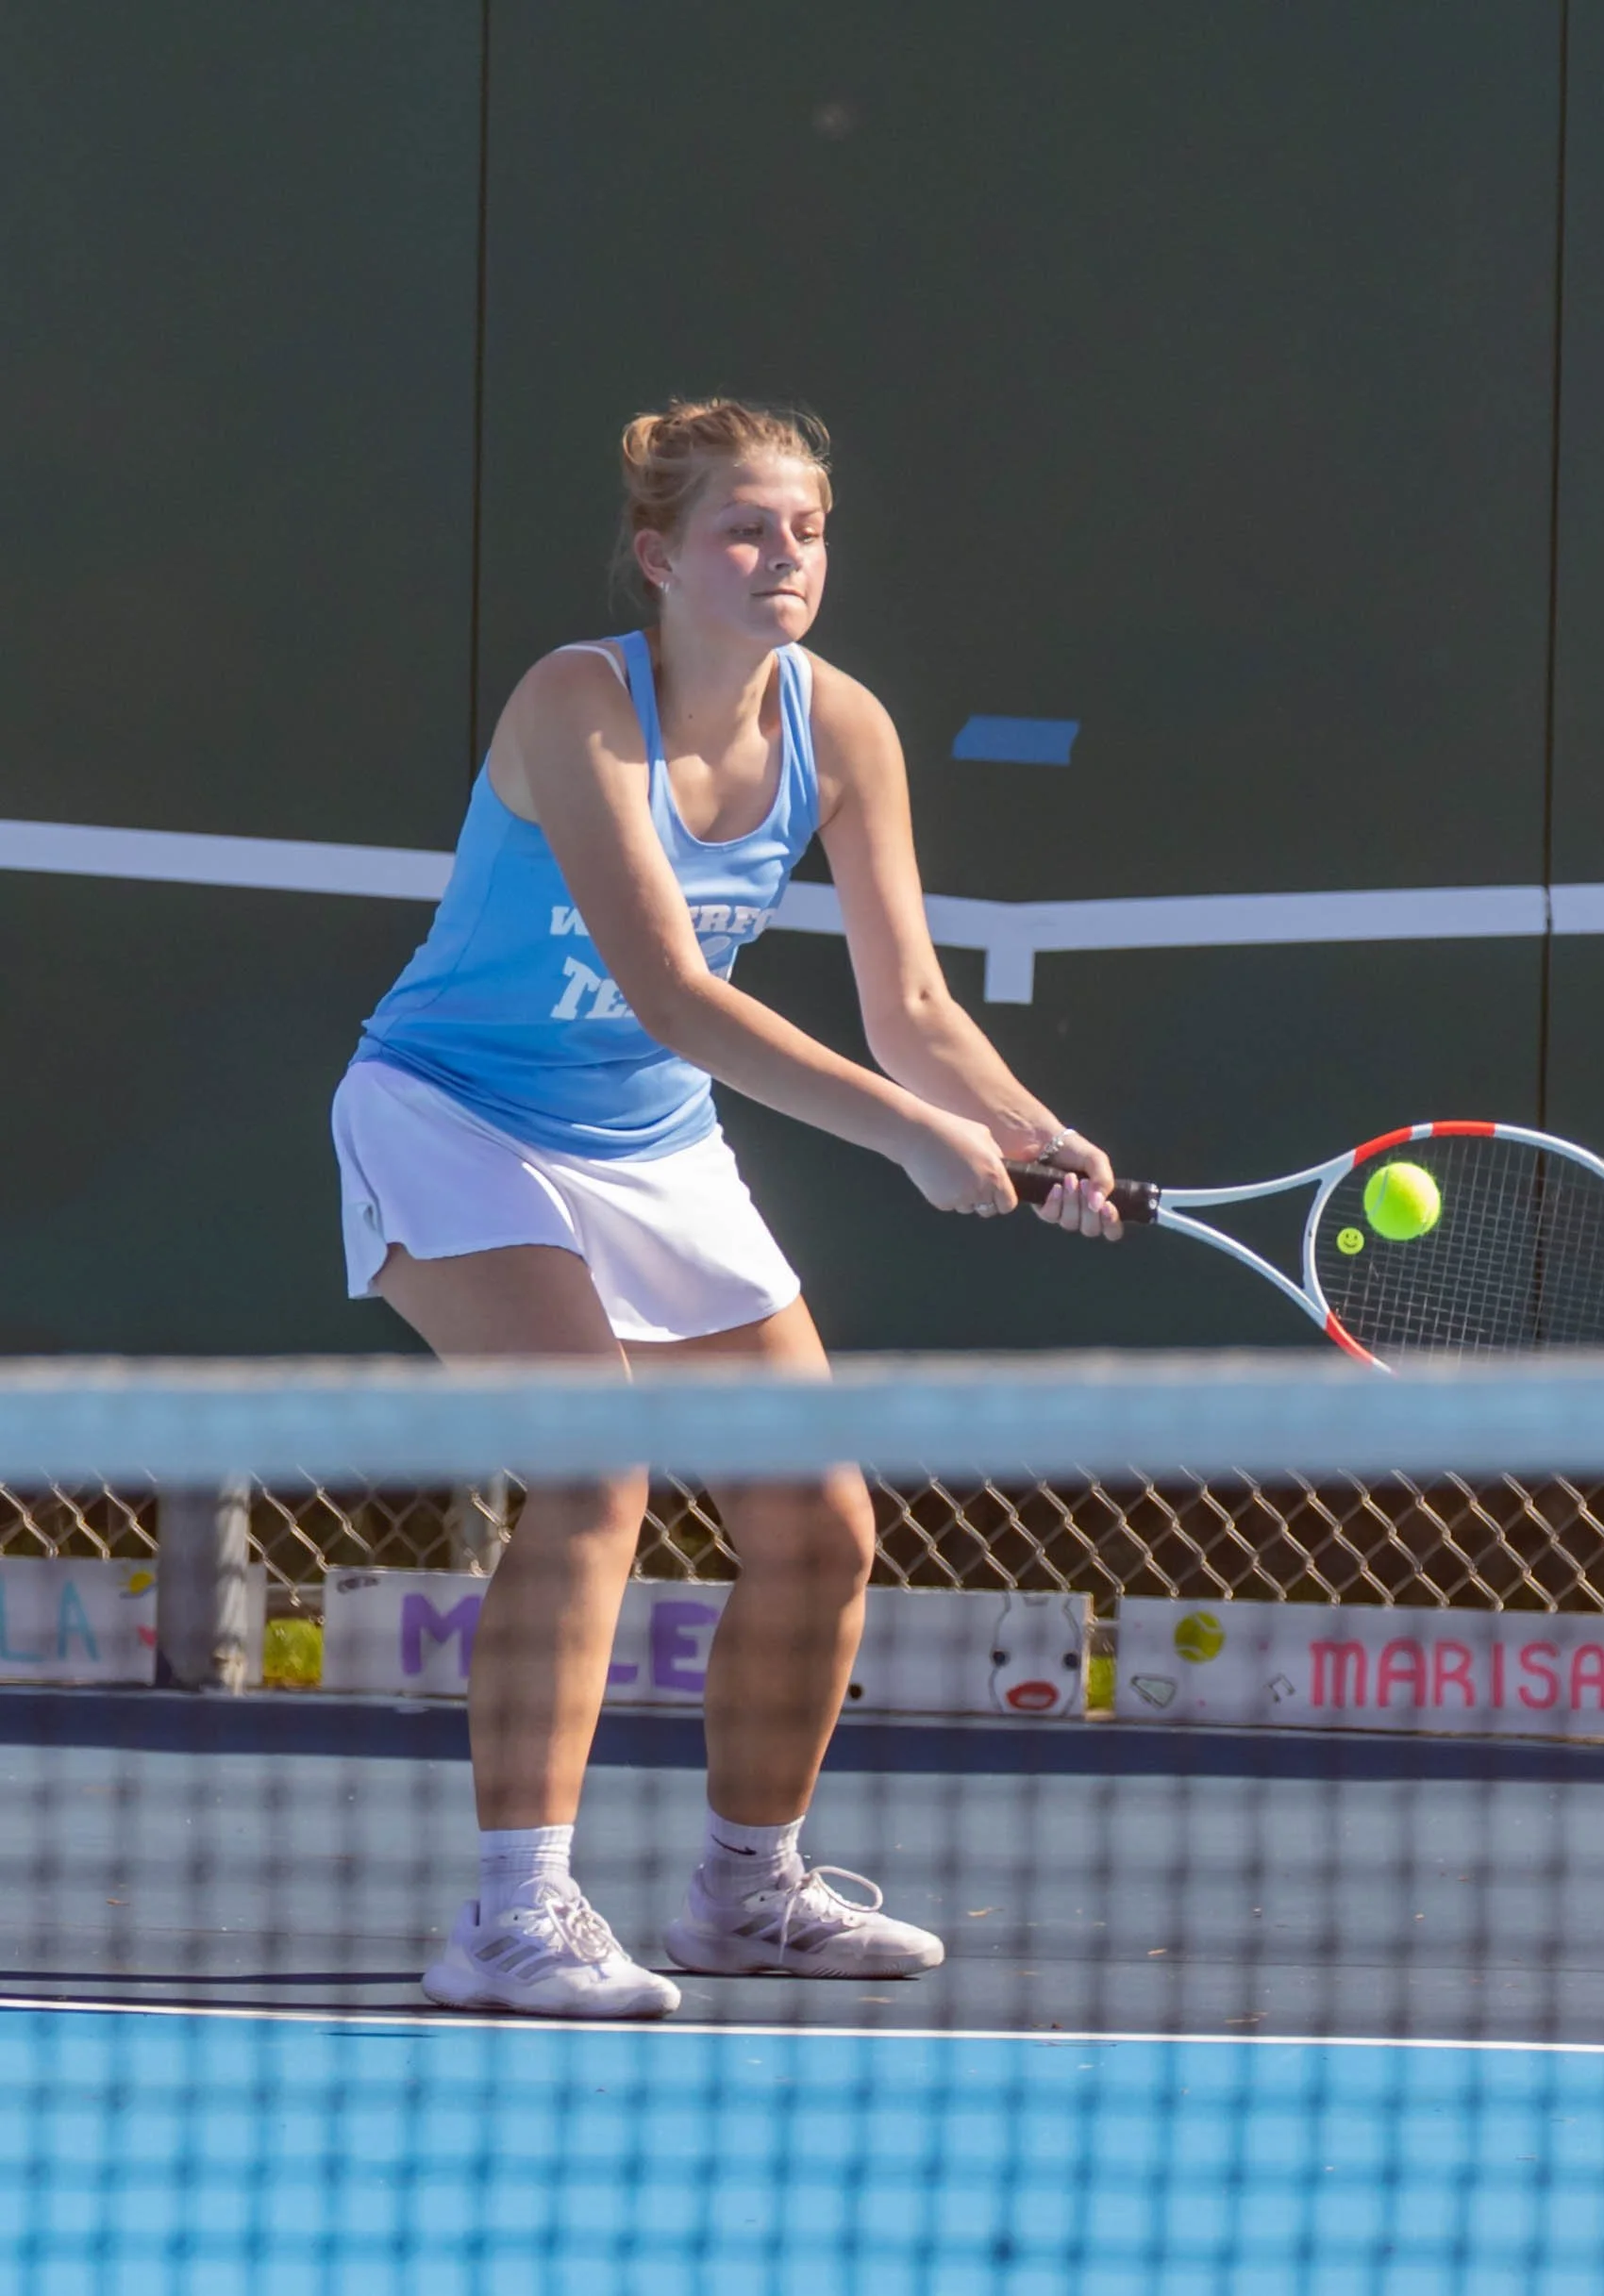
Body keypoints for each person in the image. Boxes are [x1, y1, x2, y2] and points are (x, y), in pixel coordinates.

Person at [331, 399, 1120, 2020]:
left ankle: (746, 1891)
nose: (784, 558)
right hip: (451, 1115)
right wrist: (913, 1138)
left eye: (807, 530)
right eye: (745, 530)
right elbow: (676, 991)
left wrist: (1033, 1133)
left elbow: (907, 1000)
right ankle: (510, 1915)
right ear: (658, 555)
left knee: (819, 1525)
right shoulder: (575, 703)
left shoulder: (848, 729)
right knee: (597, 1469)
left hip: (649, 1139)